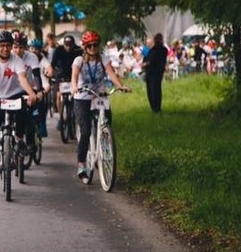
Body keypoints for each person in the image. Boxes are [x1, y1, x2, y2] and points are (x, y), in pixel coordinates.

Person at [0, 30, 38, 185]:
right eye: (2, 46)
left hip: (14, 96)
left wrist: (32, 93)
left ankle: (19, 139)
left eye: (8, 46)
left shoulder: (16, 60)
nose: (5, 49)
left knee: (23, 114)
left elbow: (23, 78)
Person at [71, 30, 131, 180]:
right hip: (83, 96)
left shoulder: (103, 59)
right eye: (89, 45)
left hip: (100, 96)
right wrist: (74, 86)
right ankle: (81, 164)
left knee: (107, 124)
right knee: (85, 131)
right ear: (84, 47)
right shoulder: (78, 60)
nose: (92, 48)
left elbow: (111, 74)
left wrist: (120, 86)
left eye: (95, 45)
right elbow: (74, 75)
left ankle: (104, 149)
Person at [50, 34, 83, 130]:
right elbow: (53, 64)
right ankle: (61, 117)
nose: (68, 47)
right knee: (58, 95)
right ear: (63, 44)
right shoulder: (58, 50)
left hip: (75, 77)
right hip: (61, 77)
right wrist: (51, 73)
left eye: (70, 45)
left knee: (76, 96)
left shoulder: (78, 50)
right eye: (66, 45)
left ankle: (76, 115)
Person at [142, 32, 168, 113]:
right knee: (150, 90)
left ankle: (157, 108)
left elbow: (154, 60)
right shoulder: (153, 49)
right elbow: (147, 58)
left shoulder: (163, 50)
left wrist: (147, 63)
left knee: (155, 90)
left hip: (156, 72)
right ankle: (153, 108)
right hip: (150, 72)